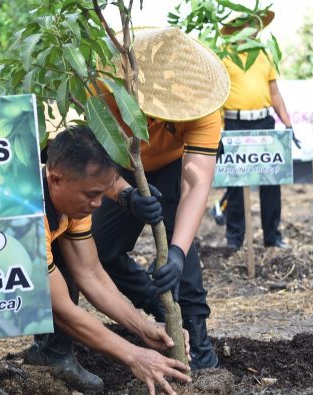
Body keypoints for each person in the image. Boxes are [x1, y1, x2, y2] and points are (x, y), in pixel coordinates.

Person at [0, 128, 191, 395]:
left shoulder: (73, 204)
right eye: (92, 194)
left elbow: (91, 273)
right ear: (55, 179)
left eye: (102, 193)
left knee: (60, 264)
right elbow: (59, 308)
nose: (98, 204)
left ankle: (49, 355)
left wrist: (142, 327)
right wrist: (134, 356)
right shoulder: (25, 212)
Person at [82, 27, 227, 373]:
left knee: (182, 247)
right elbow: (87, 157)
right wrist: (125, 193)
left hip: (175, 165)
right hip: (115, 164)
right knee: (97, 248)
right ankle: (156, 304)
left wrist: (175, 253)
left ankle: (196, 340)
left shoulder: (203, 107)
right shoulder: (102, 88)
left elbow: (196, 183)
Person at [218, 10, 295, 251]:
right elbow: (218, 96)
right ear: (234, 29)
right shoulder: (223, 56)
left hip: (264, 123)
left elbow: (274, 93)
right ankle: (234, 238)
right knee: (235, 184)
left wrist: (288, 123)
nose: (249, 28)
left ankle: (272, 236)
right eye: (243, 24)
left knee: (272, 180)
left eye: (252, 24)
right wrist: (218, 130)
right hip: (233, 124)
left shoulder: (264, 54)